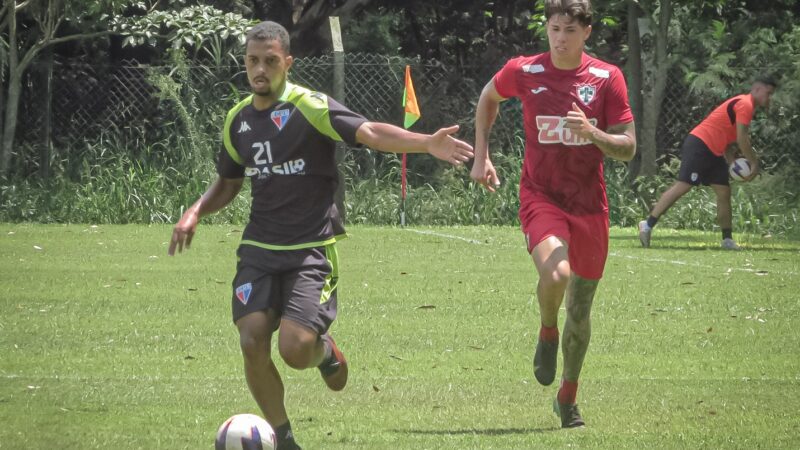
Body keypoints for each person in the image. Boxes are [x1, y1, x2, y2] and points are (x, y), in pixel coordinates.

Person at [168, 21, 473, 450]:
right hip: (259, 248)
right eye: (253, 61)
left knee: (295, 351)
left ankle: (325, 352)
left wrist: (425, 143)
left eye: (270, 61)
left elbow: (368, 132)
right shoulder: (238, 120)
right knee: (251, 338)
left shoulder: (308, 106)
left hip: (310, 248)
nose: (261, 70)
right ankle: (284, 437)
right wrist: (195, 210)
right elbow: (228, 182)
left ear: (287, 63)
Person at [471, 0, 636, 429]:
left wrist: (593, 132)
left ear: (586, 33)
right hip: (540, 195)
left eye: (568, 30)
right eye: (553, 29)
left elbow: (628, 146)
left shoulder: (606, 78)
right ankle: (547, 330)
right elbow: (488, 97)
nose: (559, 38)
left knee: (580, 313)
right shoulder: (525, 71)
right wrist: (482, 156)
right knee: (557, 275)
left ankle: (568, 397)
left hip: (589, 206)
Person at [638, 75, 777, 250]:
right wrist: (754, 163)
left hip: (714, 151)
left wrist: (731, 159)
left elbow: (726, 136)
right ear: (757, 89)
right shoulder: (746, 104)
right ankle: (647, 225)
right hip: (700, 144)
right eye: (768, 93)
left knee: (724, 192)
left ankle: (727, 240)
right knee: (683, 186)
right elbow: (743, 139)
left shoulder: (745, 106)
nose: (769, 97)